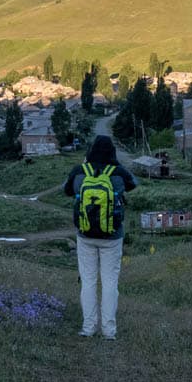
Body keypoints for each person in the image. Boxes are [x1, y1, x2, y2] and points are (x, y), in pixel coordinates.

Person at [62, 135, 137, 339]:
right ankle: (109, 331)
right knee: (110, 282)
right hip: (112, 236)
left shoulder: (80, 172)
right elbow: (133, 184)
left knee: (88, 282)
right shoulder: (118, 172)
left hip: (85, 235)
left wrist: (85, 167)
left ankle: (88, 328)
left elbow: (66, 190)